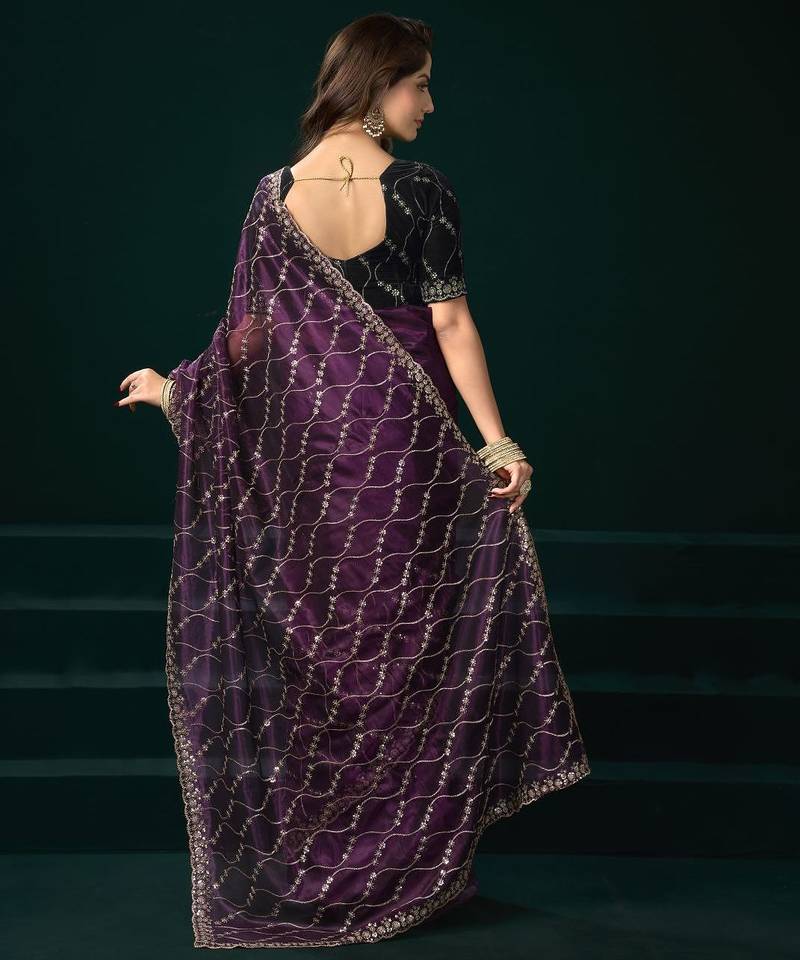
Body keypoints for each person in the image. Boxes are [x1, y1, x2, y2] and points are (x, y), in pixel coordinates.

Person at [114, 14, 590, 949]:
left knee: (330, 643)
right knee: (405, 641)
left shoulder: (272, 197)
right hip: (403, 448)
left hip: (309, 460)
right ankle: (406, 867)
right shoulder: (420, 191)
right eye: (420, 83)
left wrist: (178, 392)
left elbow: (247, 343)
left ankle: (338, 865)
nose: (429, 103)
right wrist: (497, 446)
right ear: (378, 86)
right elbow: (449, 325)